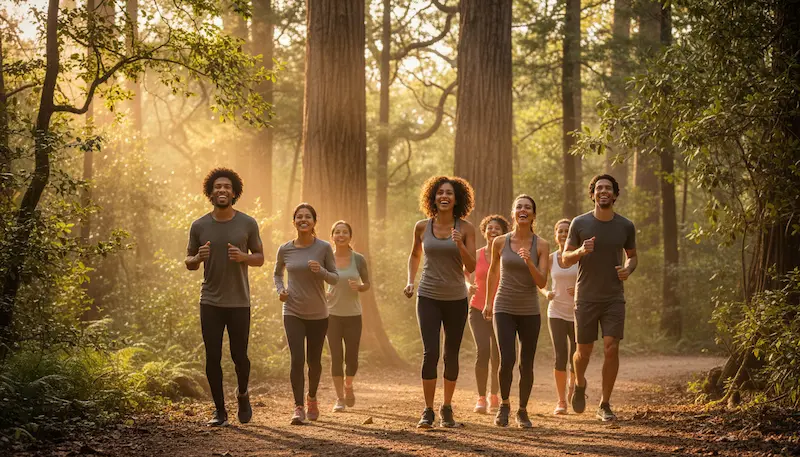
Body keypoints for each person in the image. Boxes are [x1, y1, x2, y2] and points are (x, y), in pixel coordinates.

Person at [185, 168, 264, 427]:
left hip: (239, 301)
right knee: (212, 357)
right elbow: (189, 262)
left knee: (240, 356)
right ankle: (219, 411)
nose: (222, 190)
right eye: (217, 187)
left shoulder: (247, 223)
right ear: (210, 192)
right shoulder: (199, 225)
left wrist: (244, 257)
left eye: (227, 187)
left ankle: (242, 394)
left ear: (234, 192)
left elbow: (260, 258)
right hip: (210, 301)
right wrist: (198, 258)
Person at [562, 174, 637, 422]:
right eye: (599, 188)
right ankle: (579, 383)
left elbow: (632, 256)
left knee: (611, 347)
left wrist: (628, 269)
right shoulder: (579, 223)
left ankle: (604, 404)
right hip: (586, 296)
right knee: (583, 352)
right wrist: (581, 250)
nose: (604, 191)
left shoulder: (625, 226)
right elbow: (565, 259)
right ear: (593, 194)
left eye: (608, 188)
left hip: (614, 296)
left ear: (615, 195)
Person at [404, 176, 477, 428]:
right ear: (433, 198)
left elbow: (471, 266)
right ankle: (427, 410)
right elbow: (415, 255)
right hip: (428, 296)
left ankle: (446, 407)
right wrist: (410, 281)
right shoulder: (422, 227)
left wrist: (460, 244)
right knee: (430, 352)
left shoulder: (466, 228)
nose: (444, 196)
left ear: (457, 199)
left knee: (451, 353)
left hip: (456, 298)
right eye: (440, 193)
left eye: (449, 193)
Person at [483, 195, 549, 428]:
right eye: (519, 207)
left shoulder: (541, 245)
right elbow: (493, 272)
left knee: (526, 362)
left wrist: (529, 262)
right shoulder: (500, 242)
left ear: (533, 215)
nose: (523, 210)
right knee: (507, 359)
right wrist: (488, 302)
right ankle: (504, 405)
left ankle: (522, 410)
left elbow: (542, 282)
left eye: (528, 207)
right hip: (504, 307)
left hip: (530, 309)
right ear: (513, 213)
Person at [274, 203, 339, 425]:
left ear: (314, 222)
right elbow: (277, 274)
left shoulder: (324, 248)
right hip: (292, 310)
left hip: (318, 313)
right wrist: (280, 290)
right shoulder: (285, 249)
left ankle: (312, 398)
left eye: (308, 217)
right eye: (299, 217)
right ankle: (298, 407)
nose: (303, 220)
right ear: (294, 222)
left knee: (314, 361)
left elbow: (335, 278)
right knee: (297, 360)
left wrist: (320, 271)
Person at [465, 215, 509, 414]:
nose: (493, 231)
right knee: (483, 350)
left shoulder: (507, 255)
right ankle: (481, 397)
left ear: (503, 233)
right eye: (489, 228)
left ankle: (494, 395)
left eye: (497, 228)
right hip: (477, 309)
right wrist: (468, 285)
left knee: (498, 354)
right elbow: (464, 273)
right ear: (484, 232)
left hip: (500, 310)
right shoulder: (477, 254)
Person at [326, 221, 370, 412]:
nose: (341, 235)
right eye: (337, 232)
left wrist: (359, 287)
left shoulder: (358, 259)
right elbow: (317, 279)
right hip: (331, 315)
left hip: (353, 315)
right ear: (332, 236)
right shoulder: (327, 258)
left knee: (351, 357)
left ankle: (348, 385)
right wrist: (322, 292)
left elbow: (367, 283)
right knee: (336, 356)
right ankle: (339, 398)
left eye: (344, 232)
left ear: (350, 237)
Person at [539, 218, 578, 415]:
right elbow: (540, 282)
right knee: (560, 355)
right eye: (560, 231)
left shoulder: (580, 257)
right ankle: (561, 400)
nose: (563, 234)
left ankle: (573, 386)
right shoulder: (550, 258)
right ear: (556, 235)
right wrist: (546, 293)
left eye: (567, 231)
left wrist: (579, 290)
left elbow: (590, 281)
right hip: (556, 312)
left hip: (577, 313)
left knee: (576, 356)